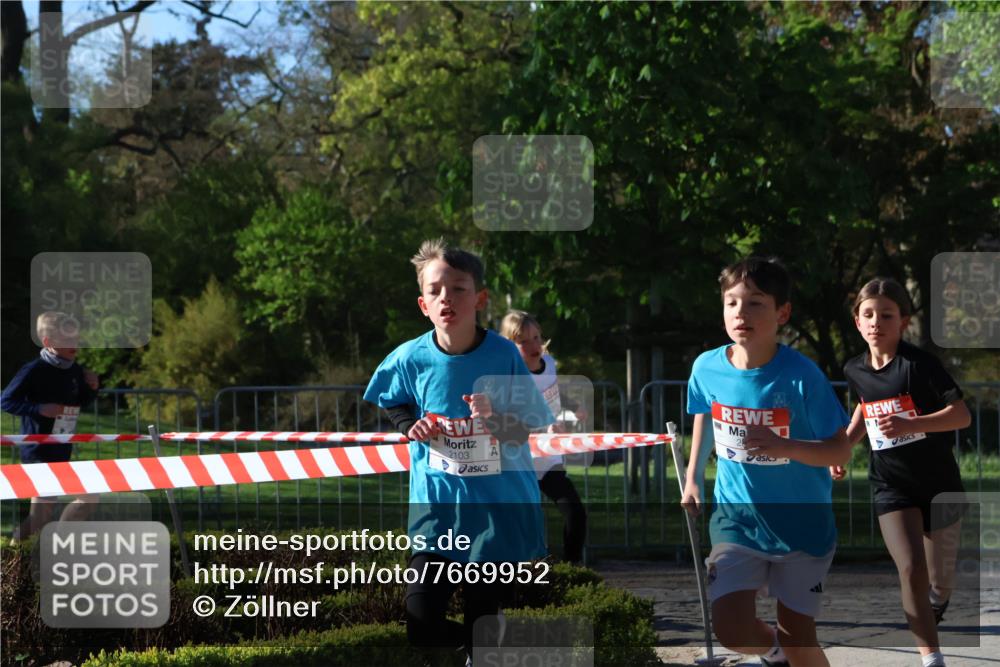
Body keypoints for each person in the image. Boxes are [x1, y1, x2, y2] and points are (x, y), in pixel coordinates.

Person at [364, 239, 553, 664]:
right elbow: (391, 398)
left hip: (494, 514)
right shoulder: (409, 357)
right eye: (435, 290)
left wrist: (496, 416)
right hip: (437, 513)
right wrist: (408, 424)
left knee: (481, 624)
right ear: (423, 304)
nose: (446, 297)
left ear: (480, 299)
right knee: (420, 621)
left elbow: (529, 426)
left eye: (458, 288)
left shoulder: (503, 354)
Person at [680, 257, 851, 667]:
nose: (741, 313)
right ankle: (774, 655)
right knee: (731, 628)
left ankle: (787, 652)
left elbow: (840, 450)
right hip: (737, 519)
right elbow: (706, 412)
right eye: (732, 303)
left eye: (756, 303)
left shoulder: (802, 376)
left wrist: (786, 447)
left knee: (800, 642)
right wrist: (693, 477)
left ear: (782, 312)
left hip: (801, 527)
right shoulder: (706, 367)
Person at [834, 277, 970, 667]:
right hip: (891, 485)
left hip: (940, 486)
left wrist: (913, 424)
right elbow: (864, 406)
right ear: (857, 322)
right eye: (868, 314)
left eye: (886, 315)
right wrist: (843, 446)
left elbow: (961, 415)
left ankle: (934, 605)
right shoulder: (855, 368)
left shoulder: (920, 365)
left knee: (940, 582)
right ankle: (931, 656)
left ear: (903, 322)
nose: (876, 322)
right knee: (910, 567)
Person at [1, 312, 99, 540]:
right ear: (49, 342)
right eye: (67, 339)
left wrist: (92, 387)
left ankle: (54, 544)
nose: (74, 344)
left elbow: (81, 401)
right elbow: (5, 400)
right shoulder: (33, 370)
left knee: (84, 499)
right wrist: (38, 409)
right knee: (42, 517)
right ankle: (12, 562)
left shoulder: (75, 370)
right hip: (38, 453)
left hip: (61, 449)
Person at [500, 310, 587, 563]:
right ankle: (518, 577)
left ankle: (573, 570)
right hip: (517, 460)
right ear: (509, 345)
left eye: (536, 337)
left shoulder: (549, 363)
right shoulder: (507, 373)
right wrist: (540, 426)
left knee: (576, 513)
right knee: (522, 523)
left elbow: (552, 389)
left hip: (548, 458)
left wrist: (571, 405)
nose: (533, 346)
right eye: (523, 341)